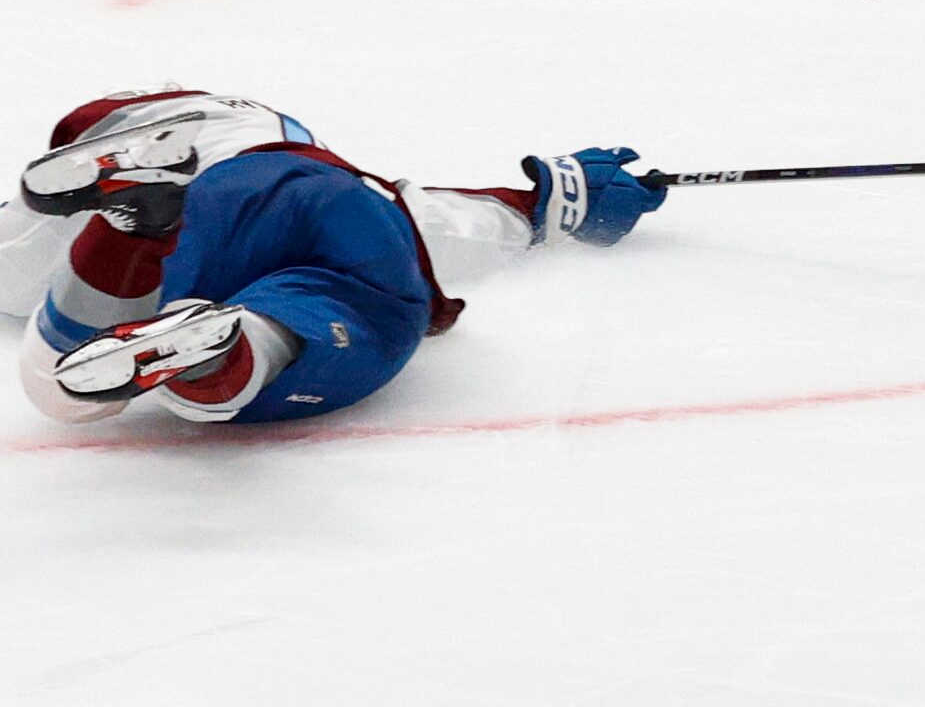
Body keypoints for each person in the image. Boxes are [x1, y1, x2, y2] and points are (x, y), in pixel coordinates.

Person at [3, 89, 663, 425]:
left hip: (215, 205)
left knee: (64, 381)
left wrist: (546, 200)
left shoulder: (52, 209)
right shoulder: (239, 121)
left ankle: (133, 228)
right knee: (329, 304)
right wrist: (559, 194)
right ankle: (227, 351)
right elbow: (474, 214)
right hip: (335, 204)